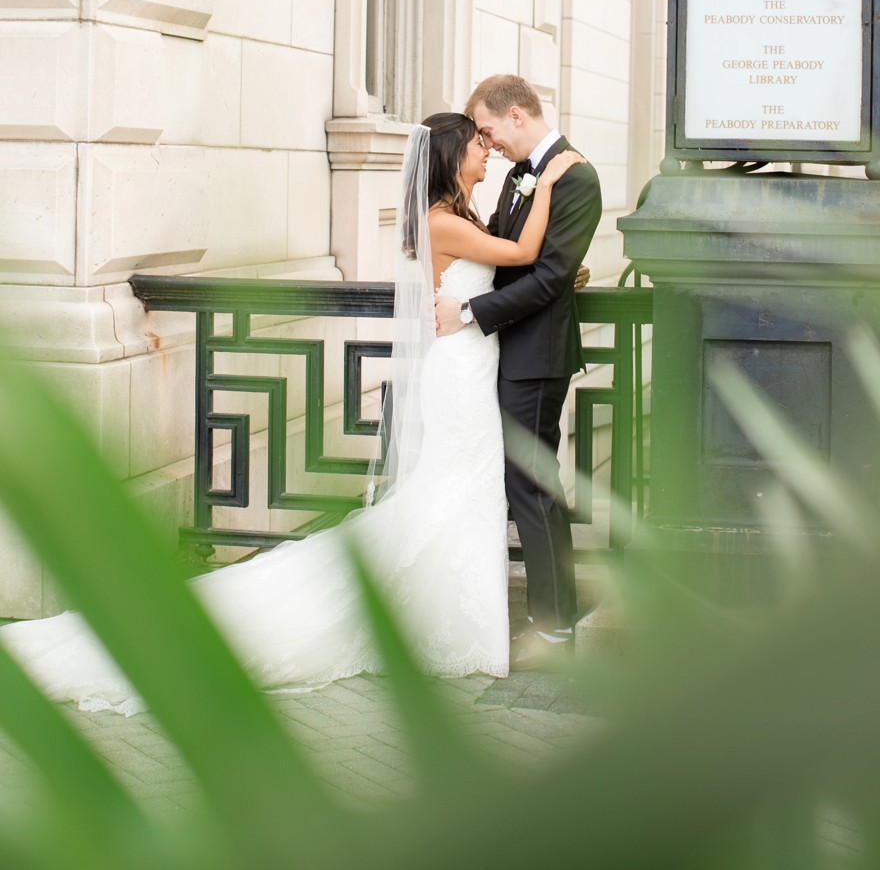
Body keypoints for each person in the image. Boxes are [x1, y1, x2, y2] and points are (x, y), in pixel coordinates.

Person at [1, 113, 582, 714]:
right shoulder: (440, 221)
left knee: (465, 490)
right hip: (460, 374)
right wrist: (545, 184)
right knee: (455, 489)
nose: (486, 152)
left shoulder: (458, 215)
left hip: (469, 364)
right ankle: (443, 626)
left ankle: (451, 620)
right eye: (477, 144)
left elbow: (502, 270)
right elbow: (523, 252)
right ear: (449, 155)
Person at [434, 76, 602, 667]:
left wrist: (472, 311)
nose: (488, 143)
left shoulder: (575, 175)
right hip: (503, 353)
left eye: (487, 131)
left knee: (531, 487)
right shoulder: (518, 175)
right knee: (527, 485)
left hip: (536, 358)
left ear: (514, 115)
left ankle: (554, 624)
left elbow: (551, 276)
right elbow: (508, 257)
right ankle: (552, 614)